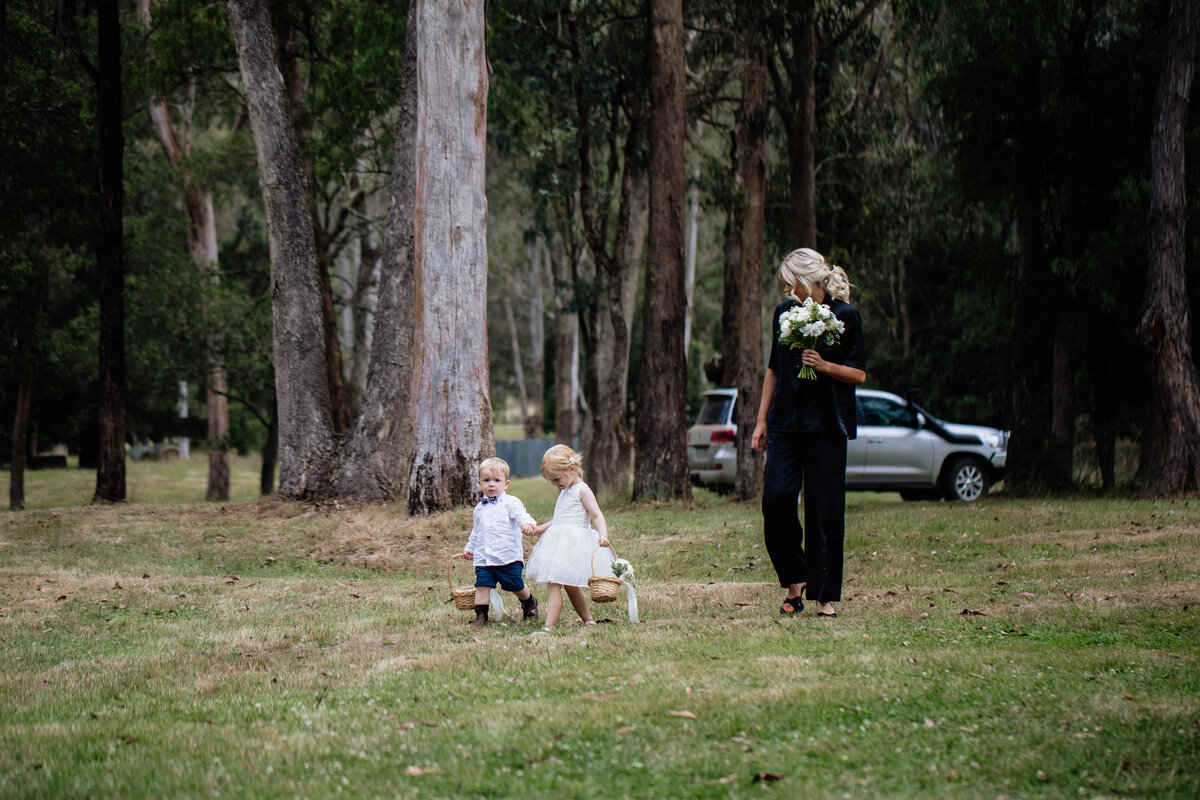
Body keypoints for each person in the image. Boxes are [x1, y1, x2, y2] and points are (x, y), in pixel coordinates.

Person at [750, 248, 866, 619]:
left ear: (806, 279)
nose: (786, 287)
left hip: (827, 426)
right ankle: (794, 576)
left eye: (789, 279)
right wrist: (761, 420)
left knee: (823, 511)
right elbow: (773, 369)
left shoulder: (845, 316)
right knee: (776, 500)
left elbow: (859, 374)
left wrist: (825, 365)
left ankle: (823, 596)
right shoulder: (783, 314)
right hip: (785, 423)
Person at [525, 445, 613, 630]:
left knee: (555, 583)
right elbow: (559, 519)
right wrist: (539, 529)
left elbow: (597, 515)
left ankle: (549, 627)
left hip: (573, 545)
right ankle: (589, 621)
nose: (555, 483)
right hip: (558, 543)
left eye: (556, 479)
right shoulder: (565, 490)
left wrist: (603, 536)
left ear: (571, 469)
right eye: (551, 481)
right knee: (566, 584)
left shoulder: (582, 490)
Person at [462, 457, 540, 627]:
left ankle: (529, 602)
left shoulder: (511, 503)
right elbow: (476, 531)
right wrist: (470, 548)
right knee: (482, 586)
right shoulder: (479, 508)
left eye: (497, 481)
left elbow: (521, 515)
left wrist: (528, 524)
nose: (491, 484)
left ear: (506, 484)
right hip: (484, 558)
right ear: (479, 483)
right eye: (487, 480)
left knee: (515, 585)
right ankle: (481, 617)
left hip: (507, 557)